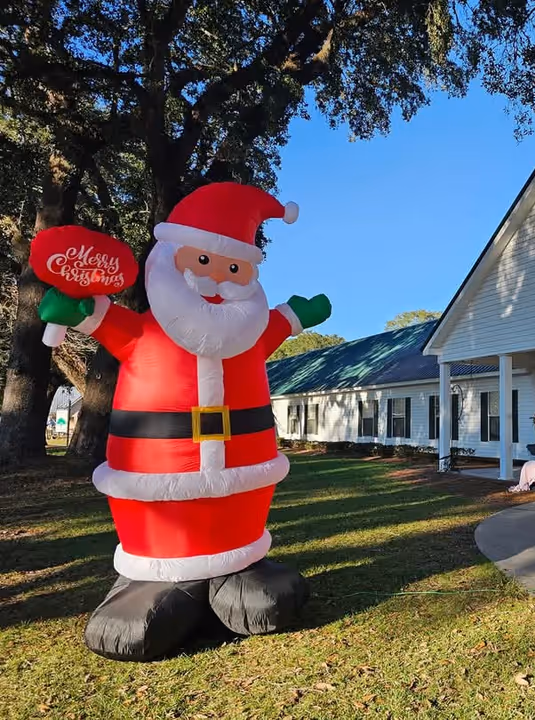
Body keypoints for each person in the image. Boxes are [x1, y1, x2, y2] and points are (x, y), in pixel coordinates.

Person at [38, 182, 332, 661]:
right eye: (202, 263)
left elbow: (273, 325)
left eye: (235, 269)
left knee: (253, 571)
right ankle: (152, 580)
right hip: (154, 478)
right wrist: (75, 309)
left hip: (244, 478)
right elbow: (98, 316)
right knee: (154, 585)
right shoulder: (141, 333)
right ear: (168, 260)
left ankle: (241, 565)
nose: (218, 279)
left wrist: (298, 314)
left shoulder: (248, 335)